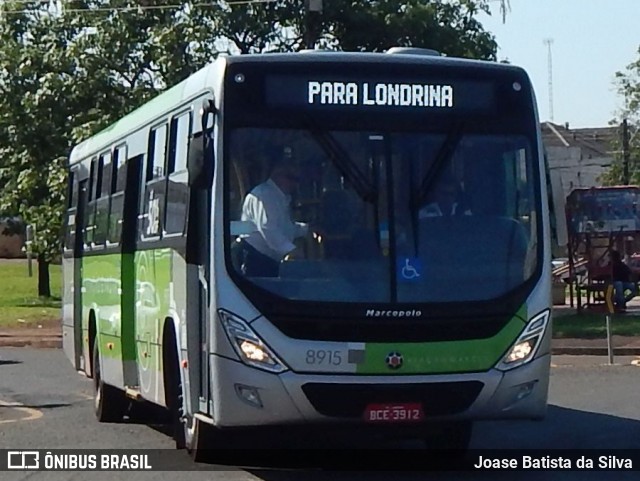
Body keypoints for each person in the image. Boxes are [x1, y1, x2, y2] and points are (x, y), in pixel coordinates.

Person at [234, 158, 309, 277]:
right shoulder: (264, 195)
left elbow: (285, 228)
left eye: (298, 180)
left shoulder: (279, 197)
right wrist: (291, 250)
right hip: (256, 260)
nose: (295, 184)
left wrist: (307, 229)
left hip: (268, 260)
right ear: (278, 175)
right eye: (292, 179)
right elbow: (269, 229)